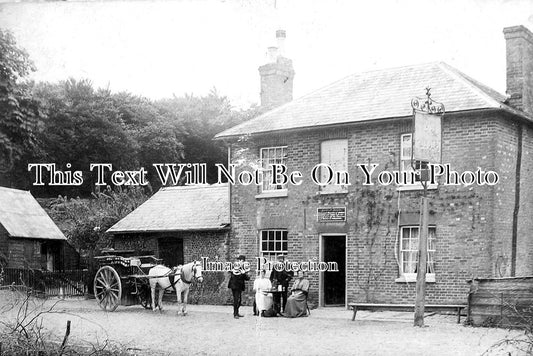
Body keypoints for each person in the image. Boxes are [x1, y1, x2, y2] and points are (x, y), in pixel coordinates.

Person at [227, 255, 250, 319]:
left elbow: (246, 278)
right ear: (239, 261)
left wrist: (245, 274)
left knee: (239, 300)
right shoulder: (235, 268)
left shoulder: (243, 268)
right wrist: (242, 273)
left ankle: (237, 312)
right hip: (234, 286)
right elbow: (235, 276)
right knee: (236, 300)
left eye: (243, 261)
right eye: (241, 261)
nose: (242, 262)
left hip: (239, 286)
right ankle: (235, 314)